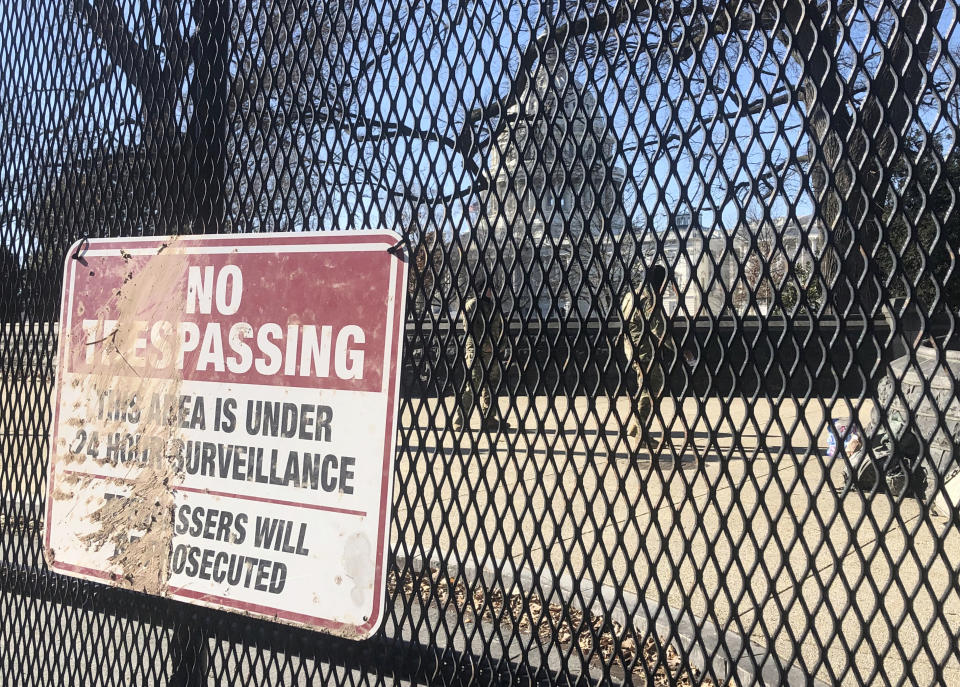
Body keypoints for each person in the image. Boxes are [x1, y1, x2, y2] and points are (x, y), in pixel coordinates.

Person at [620, 265, 671, 453]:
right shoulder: (649, 298)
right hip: (644, 350)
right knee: (650, 389)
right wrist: (682, 350)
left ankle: (635, 427)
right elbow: (660, 329)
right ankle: (640, 433)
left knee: (644, 386)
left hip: (630, 347)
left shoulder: (631, 294)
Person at [454, 274, 509, 432]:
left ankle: (489, 419)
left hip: (493, 353)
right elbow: (471, 329)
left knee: (491, 386)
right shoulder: (472, 305)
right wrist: (485, 346)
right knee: (472, 386)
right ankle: (460, 419)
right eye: (490, 288)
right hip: (477, 353)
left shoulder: (493, 306)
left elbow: (501, 328)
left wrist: (500, 346)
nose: (492, 291)